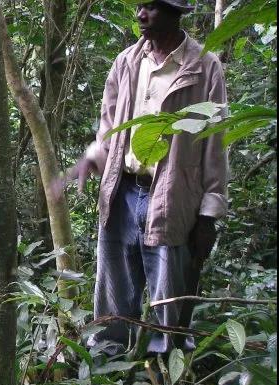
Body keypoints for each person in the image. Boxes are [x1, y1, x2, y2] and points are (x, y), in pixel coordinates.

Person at [70, 0, 229, 364]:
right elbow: (109, 129)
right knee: (112, 306)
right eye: (140, 6)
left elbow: (216, 146)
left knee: (169, 309)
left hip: (173, 199)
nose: (141, 14)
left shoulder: (204, 66)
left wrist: (209, 213)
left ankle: (163, 380)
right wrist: (91, 159)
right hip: (122, 193)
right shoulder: (126, 62)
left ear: (176, 13)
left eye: (152, 7)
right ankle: (107, 379)